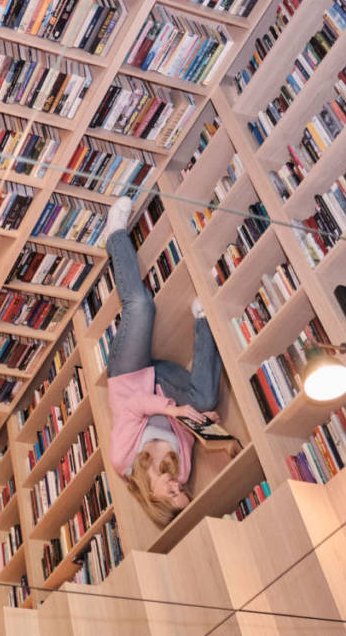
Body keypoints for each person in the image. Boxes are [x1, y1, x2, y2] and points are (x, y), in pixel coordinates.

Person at [105, 196, 223, 527]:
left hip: (130, 378)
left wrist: (170, 410)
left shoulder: (123, 460)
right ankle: (204, 319)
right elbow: (184, 428)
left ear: (154, 499)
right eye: (182, 489)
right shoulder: (180, 469)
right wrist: (200, 421)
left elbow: (132, 406)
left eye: (172, 493)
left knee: (141, 307)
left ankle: (114, 235)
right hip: (163, 381)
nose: (177, 483)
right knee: (205, 398)